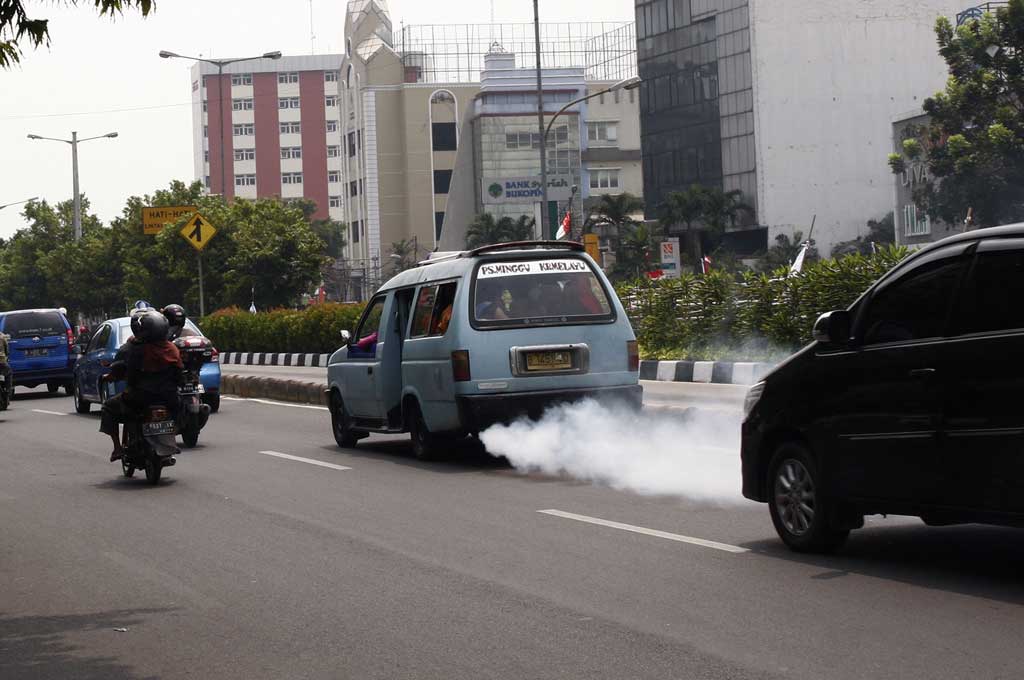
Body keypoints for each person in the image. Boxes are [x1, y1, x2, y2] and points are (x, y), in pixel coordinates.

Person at [99, 310, 183, 462]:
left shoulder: (136, 349)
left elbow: (128, 372)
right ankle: (173, 432)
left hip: (140, 398)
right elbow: (179, 376)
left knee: (108, 407)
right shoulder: (172, 349)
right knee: (178, 406)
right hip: (169, 398)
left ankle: (118, 448)